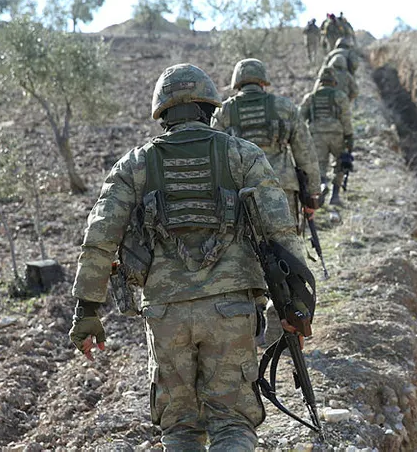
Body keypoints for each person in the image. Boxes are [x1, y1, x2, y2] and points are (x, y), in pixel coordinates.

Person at [68, 63, 312, 451]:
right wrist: (297, 304)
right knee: (232, 424)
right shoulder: (242, 155)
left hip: (166, 313)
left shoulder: (134, 164)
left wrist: (86, 310)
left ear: (162, 112)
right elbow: (281, 232)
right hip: (231, 308)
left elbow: (99, 237)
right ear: (210, 108)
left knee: (180, 429)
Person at [211, 58, 321, 226]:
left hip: (242, 191)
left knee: (247, 240)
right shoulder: (284, 107)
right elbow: (305, 152)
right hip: (282, 187)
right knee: (286, 238)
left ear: (237, 82)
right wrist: (312, 194)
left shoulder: (223, 112)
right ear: (263, 81)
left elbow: (214, 154)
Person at [300, 67, 353, 206]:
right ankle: (335, 196)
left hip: (316, 135)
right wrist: (349, 136)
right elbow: (346, 119)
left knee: (320, 165)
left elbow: (299, 118)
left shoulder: (310, 97)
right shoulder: (340, 96)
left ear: (320, 81)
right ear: (334, 81)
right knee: (341, 163)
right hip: (337, 135)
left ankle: (322, 186)